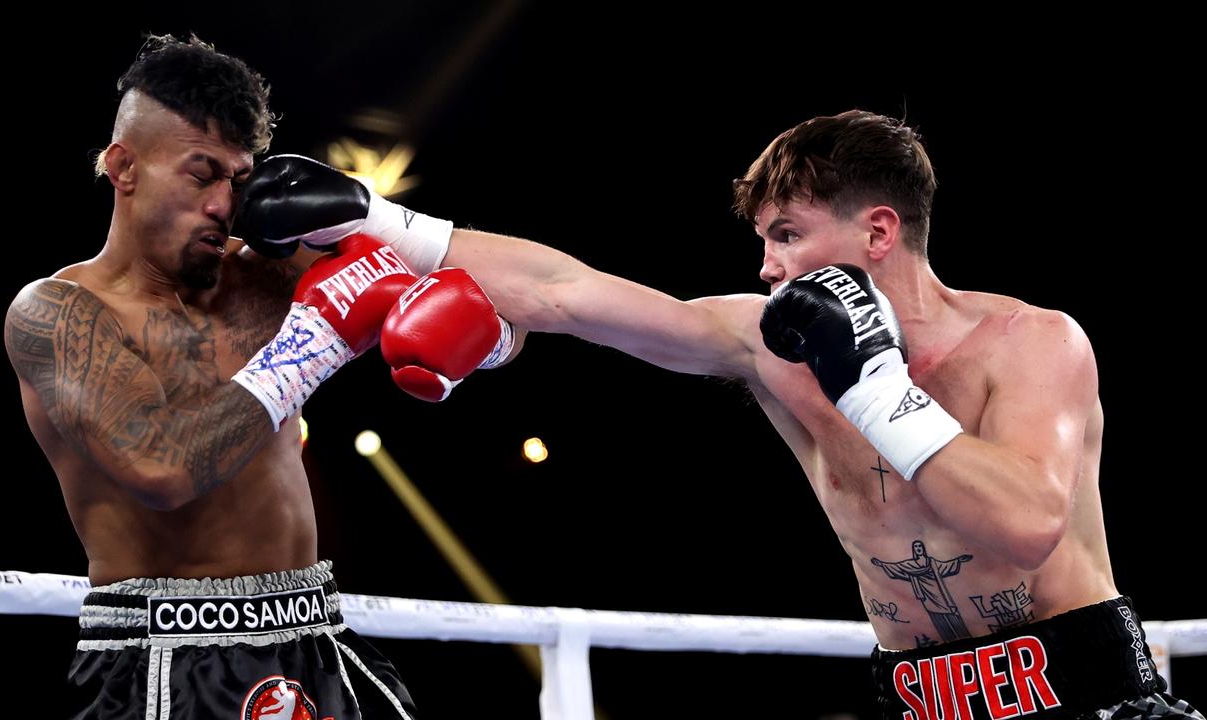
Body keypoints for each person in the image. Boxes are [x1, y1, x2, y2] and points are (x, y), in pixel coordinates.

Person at [234, 111, 1202, 719]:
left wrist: (872, 387)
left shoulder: (1030, 345)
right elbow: (570, 293)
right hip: (911, 696)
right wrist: (382, 224)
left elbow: (1027, 525)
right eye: (760, 241)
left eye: (785, 236)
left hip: (1077, 693)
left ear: (876, 232)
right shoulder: (765, 346)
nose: (766, 269)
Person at [2, 34, 514, 719]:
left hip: (317, 635)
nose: (224, 203)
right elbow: (161, 468)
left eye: (239, 181)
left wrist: (481, 340)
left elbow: (506, 306)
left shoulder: (264, 276)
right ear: (124, 167)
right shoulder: (59, 312)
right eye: (201, 173)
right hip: (167, 657)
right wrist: (318, 341)